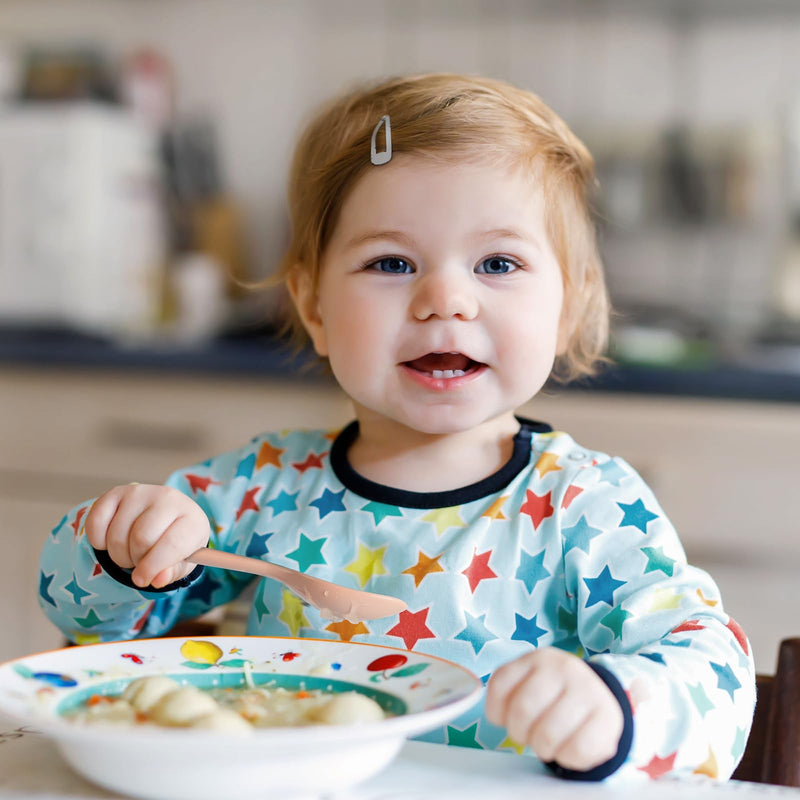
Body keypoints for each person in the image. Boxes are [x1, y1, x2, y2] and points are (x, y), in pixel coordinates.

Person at [39, 73, 755, 781]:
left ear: (567, 308)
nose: (445, 298)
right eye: (391, 262)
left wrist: (615, 709)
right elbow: (90, 625)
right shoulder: (260, 489)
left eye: (497, 263)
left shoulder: (587, 506)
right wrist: (118, 543)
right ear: (314, 307)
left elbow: (714, 672)